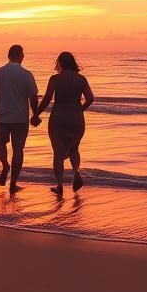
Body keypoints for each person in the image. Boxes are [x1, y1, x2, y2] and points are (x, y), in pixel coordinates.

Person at [0, 44, 40, 193]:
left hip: (1, 116)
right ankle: (13, 183)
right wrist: (35, 114)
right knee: (18, 150)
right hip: (20, 118)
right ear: (22, 56)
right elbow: (33, 98)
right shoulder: (27, 74)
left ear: (8, 55)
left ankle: (5, 165)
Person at [34, 51, 94, 197]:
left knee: (58, 152)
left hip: (58, 117)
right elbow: (90, 98)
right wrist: (80, 109)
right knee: (74, 147)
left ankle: (59, 184)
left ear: (59, 63)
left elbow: (47, 99)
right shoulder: (81, 79)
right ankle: (76, 172)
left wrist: (36, 114)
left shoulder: (55, 79)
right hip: (76, 118)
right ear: (73, 63)